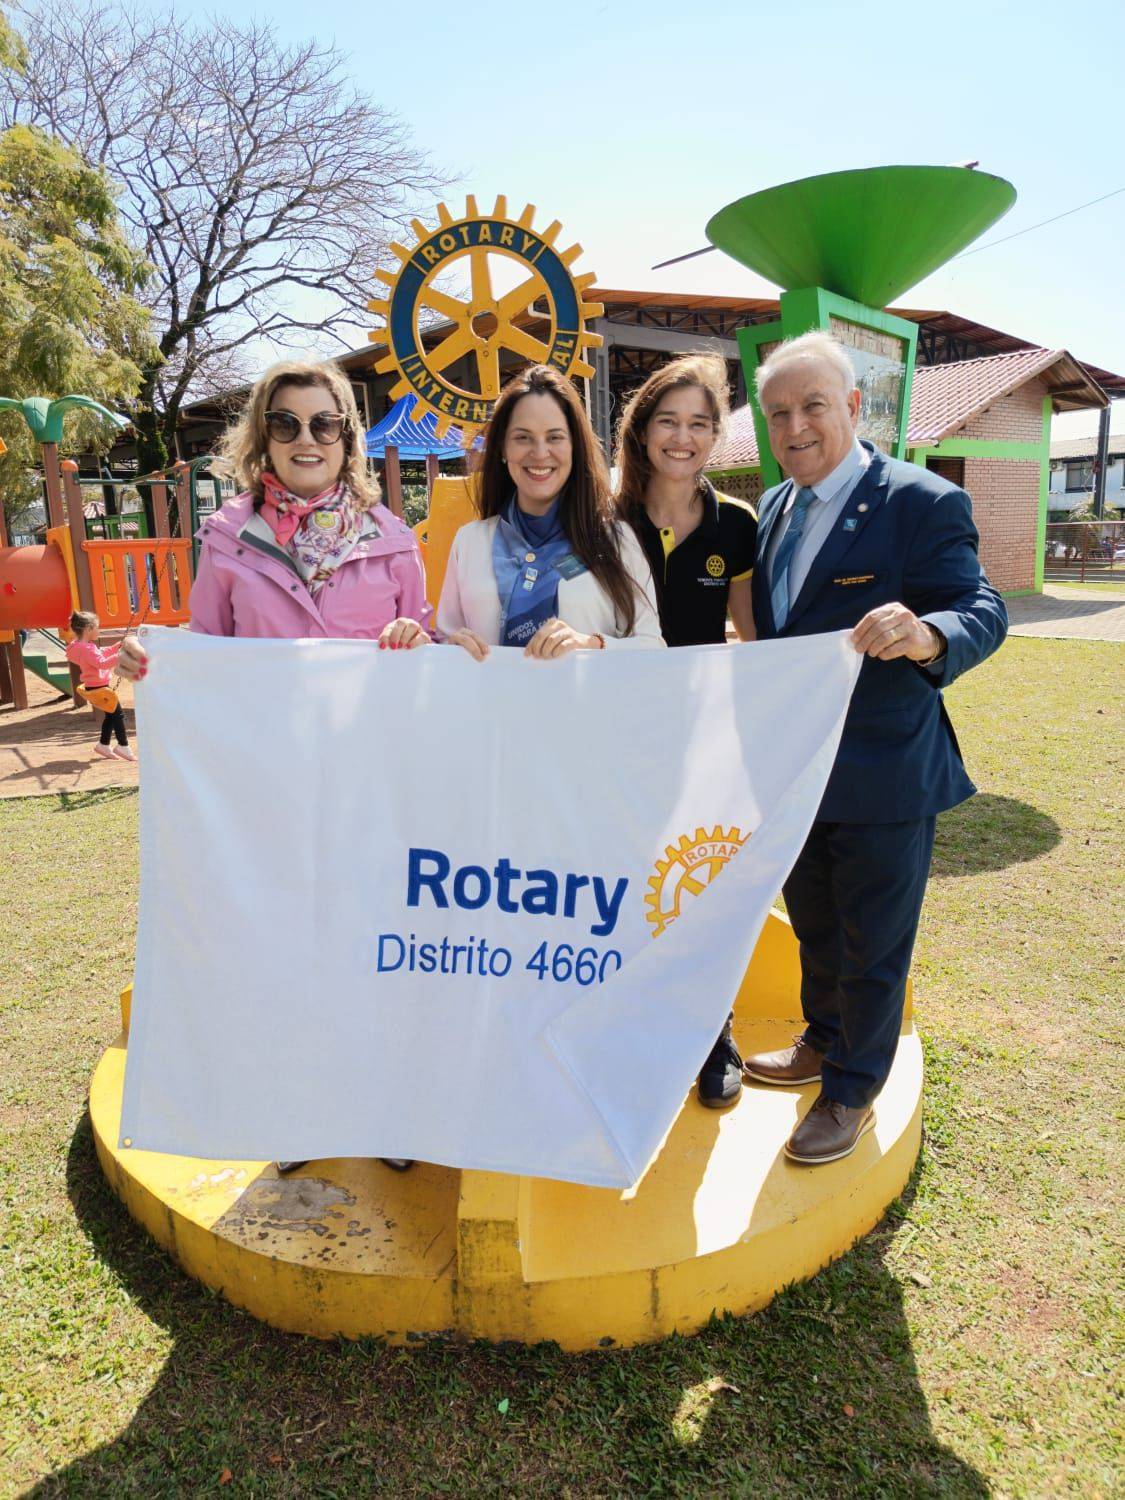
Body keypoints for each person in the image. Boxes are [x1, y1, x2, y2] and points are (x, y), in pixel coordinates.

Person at [117, 357, 431, 1175]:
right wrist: (159, 662)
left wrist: (414, 642)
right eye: (286, 422)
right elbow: (208, 657)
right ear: (264, 435)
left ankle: (389, 1111)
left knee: (376, 948)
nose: (305, 438)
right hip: (273, 792)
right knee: (289, 950)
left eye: (323, 423)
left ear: (346, 438)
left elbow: (427, 651)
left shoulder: (393, 541)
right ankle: (300, 1114)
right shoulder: (227, 542)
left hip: (370, 790)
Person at [742, 331, 1007, 1164]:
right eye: (779, 412)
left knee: (873, 942)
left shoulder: (919, 501)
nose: (795, 427)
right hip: (798, 771)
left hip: (884, 772)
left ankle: (852, 1089)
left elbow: (979, 606)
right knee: (816, 927)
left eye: (813, 406)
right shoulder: (775, 507)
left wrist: (926, 632)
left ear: (854, 408)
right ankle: (822, 1040)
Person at [614, 352, 757, 1109]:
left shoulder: (736, 525)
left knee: (699, 884)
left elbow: (754, 640)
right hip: (614, 740)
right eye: (667, 421)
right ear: (641, 432)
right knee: (622, 882)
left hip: (700, 741)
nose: (683, 437)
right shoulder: (602, 516)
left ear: (716, 435)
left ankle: (713, 1032)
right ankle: (631, 1027)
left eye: (699, 423)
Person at [437, 363, 664, 659]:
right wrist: (449, 649)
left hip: (589, 705)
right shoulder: (469, 542)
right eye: (523, 437)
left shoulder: (615, 541)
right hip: (493, 705)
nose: (540, 452)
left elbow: (654, 647)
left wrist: (592, 644)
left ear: (574, 447)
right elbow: (444, 641)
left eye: (555, 437)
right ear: (503, 450)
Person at [66, 610, 136, 762]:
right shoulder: (87, 648)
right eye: (97, 627)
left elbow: (100, 655)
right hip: (100, 688)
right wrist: (120, 656)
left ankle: (103, 744)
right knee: (118, 716)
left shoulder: (78, 646)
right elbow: (101, 663)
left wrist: (117, 646)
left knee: (111, 716)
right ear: (88, 629)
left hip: (93, 687)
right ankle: (123, 745)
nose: (99, 630)